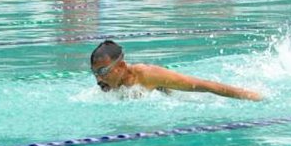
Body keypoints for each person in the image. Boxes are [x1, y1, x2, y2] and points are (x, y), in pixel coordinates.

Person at [89, 40, 263, 100]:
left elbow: (204, 85)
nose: (98, 79)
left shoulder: (147, 75)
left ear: (120, 66)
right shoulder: (108, 86)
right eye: (95, 73)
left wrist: (250, 96)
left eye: (103, 72)